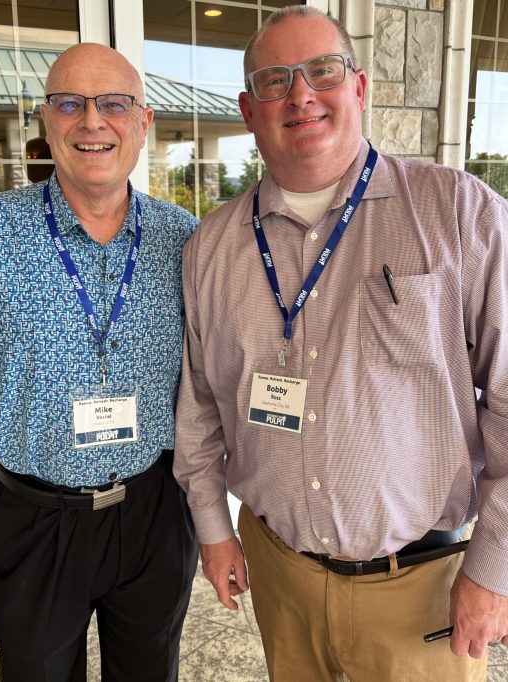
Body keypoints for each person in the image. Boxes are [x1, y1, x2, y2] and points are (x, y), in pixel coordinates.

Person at [174, 6, 508, 682]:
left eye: (322, 71)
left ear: (357, 88)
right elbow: (201, 405)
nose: (301, 96)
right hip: (282, 577)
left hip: (423, 587)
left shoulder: (459, 213)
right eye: (275, 81)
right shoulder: (210, 246)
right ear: (247, 108)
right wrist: (214, 526)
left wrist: (495, 567)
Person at [0, 43, 198, 682]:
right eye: (70, 103)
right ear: (46, 121)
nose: (92, 122)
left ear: (143, 124)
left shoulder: (184, 239)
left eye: (114, 105)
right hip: (34, 518)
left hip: (153, 511)